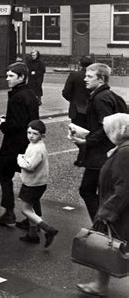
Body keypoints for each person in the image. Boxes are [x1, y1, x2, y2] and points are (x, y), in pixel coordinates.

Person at [76, 113, 129, 296]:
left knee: (109, 243)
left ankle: (100, 285)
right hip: (116, 207)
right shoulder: (122, 148)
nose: (107, 133)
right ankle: (100, 284)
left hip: (118, 210)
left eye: (109, 130)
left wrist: (107, 212)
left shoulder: (125, 152)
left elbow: (124, 187)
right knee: (109, 244)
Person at [69, 63, 127, 221]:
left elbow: (105, 126)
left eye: (89, 76)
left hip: (100, 154)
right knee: (99, 191)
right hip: (105, 152)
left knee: (87, 190)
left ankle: (100, 225)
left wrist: (86, 141)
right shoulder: (108, 95)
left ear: (101, 79)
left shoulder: (101, 98)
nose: (85, 79)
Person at [0, 62, 39, 226]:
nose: (7, 79)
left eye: (11, 76)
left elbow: (16, 125)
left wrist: (0, 125)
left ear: (22, 77)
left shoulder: (17, 97)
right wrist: (8, 118)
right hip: (28, 142)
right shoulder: (29, 94)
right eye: (7, 75)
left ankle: (9, 212)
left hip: (14, 144)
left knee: (4, 174)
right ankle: (33, 218)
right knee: (29, 180)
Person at [16, 120, 58, 247]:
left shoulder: (37, 149)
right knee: (31, 208)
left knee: (25, 209)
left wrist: (20, 158)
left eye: (34, 133)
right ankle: (32, 234)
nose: (30, 136)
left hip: (32, 184)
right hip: (36, 182)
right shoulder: (35, 145)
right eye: (29, 132)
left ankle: (48, 229)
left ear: (42, 136)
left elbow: (30, 166)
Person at [62, 55, 93, 166]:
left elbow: (66, 92)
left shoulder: (74, 75)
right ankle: (84, 156)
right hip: (91, 109)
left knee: (76, 134)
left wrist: (73, 100)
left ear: (80, 63)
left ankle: (83, 155)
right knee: (90, 133)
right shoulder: (96, 76)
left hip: (77, 109)